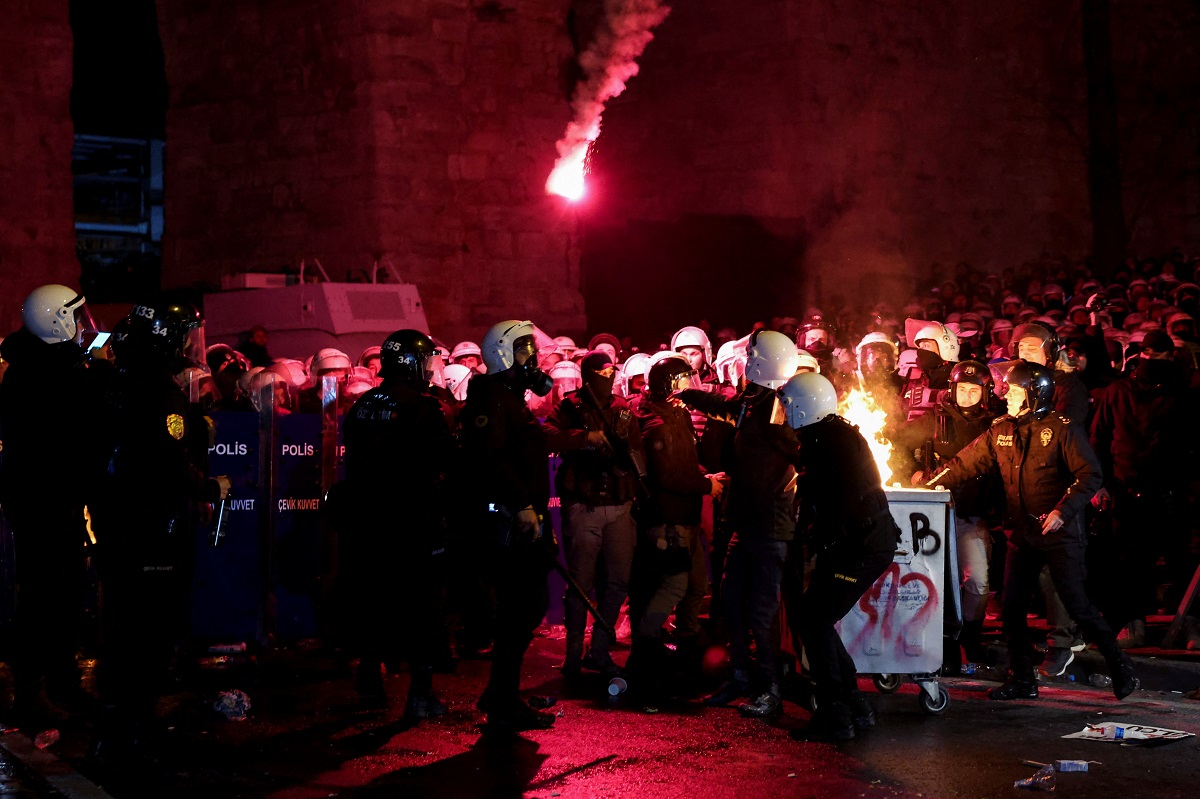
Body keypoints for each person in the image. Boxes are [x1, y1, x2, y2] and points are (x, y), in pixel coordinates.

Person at [926, 361, 1138, 701]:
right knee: (1011, 608)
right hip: (1022, 534)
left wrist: (1061, 511)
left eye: (1014, 390)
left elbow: (1089, 476)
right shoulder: (1002, 429)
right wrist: (923, 487)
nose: (1006, 395)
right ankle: (1023, 678)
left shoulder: (1062, 428)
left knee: (1078, 605)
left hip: (1059, 533)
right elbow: (964, 464)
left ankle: (1120, 666)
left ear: (1034, 394)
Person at [86, 296, 229, 758]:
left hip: (116, 523)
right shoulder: (157, 390)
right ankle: (134, 728)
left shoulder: (114, 379)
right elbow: (164, 462)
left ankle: (114, 722)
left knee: (120, 626)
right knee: (149, 631)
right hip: (151, 528)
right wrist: (209, 486)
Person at [677, 330, 800, 719]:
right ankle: (742, 676)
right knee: (732, 604)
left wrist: (779, 491)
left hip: (769, 526)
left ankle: (770, 689)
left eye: (751, 355)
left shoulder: (780, 406)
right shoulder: (754, 400)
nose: (746, 360)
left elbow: (800, 451)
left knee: (761, 613)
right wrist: (688, 394)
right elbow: (724, 406)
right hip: (746, 523)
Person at [0, 285, 102, 727]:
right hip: (44, 498)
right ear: (57, 320)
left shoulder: (42, 365)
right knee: (44, 597)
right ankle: (31, 691)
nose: (84, 327)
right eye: (77, 318)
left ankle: (61, 681)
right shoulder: (48, 372)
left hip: (51, 494)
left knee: (65, 593)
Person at [779, 373, 901, 741]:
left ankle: (836, 714)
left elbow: (838, 503)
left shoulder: (825, 442)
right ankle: (853, 705)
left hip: (858, 547)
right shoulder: (833, 434)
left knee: (813, 621)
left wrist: (821, 540)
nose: (784, 411)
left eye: (787, 404)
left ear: (804, 405)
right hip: (862, 543)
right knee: (816, 618)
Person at [341, 329, 455, 718]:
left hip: (369, 522)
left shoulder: (363, 405)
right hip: (413, 521)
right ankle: (420, 694)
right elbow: (443, 466)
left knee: (375, 602)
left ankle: (369, 680)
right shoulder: (424, 409)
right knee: (423, 607)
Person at [458, 319, 558, 735]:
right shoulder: (492, 396)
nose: (531, 357)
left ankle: (501, 692)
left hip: (522, 513)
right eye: (523, 349)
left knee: (524, 607)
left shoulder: (511, 397)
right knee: (522, 606)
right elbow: (493, 458)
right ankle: (502, 700)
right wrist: (520, 507)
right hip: (507, 518)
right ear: (502, 353)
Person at [1089, 330, 1198, 647]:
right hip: (1127, 490)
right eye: (1151, 355)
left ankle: (1189, 624)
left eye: (1161, 356)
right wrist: (1101, 485)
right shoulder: (1118, 391)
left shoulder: (1185, 395)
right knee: (1130, 562)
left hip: (1175, 492)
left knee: (1181, 562)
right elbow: (1099, 440)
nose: (1155, 362)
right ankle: (1131, 624)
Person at [626, 356, 724, 705]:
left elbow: (684, 463)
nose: (689, 387)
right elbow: (666, 475)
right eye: (683, 381)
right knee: (675, 585)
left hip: (688, 518)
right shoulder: (656, 423)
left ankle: (685, 656)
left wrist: (704, 477)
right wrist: (704, 487)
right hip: (669, 521)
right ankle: (645, 651)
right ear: (670, 385)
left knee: (697, 585)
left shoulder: (676, 415)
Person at [544, 350, 646, 678]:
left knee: (617, 582)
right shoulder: (570, 406)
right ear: (588, 375)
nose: (608, 377)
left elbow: (637, 453)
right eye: (601, 373)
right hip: (583, 506)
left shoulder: (622, 409)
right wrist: (585, 438)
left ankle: (599, 649)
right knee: (580, 583)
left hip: (618, 506)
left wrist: (626, 465)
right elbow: (547, 434)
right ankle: (574, 653)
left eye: (610, 372)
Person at [895, 360, 1001, 668]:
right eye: (962, 389)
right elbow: (897, 443)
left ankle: (971, 635)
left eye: (974, 390)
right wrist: (913, 474)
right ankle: (943, 641)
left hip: (973, 514)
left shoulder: (994, 424)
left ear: (985, 392)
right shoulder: (933, 419)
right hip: (936, 513)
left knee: (978, 582)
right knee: (937, 581)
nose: (968, 396)